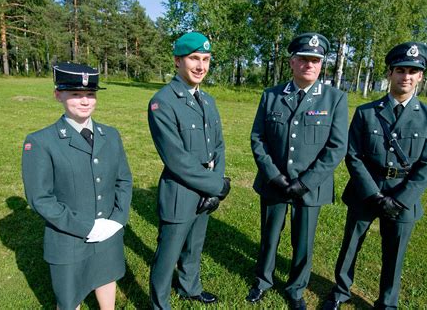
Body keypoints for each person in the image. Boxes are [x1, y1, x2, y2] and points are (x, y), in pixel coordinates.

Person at [323, 42, 427, 310]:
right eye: (401, 70)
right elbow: (352, 154)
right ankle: (340, 292)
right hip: (366, 191)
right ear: (390, 73)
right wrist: (373, 194)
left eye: (413, 71)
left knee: (394, 253)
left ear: (421, 76)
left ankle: (387, 303)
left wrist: (400, 200)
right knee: (350, 246)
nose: (406, 76)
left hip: (403, 195)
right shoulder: (366, 112)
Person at [247, 32, 348, 309]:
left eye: (315, 60)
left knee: (303, 242)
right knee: (269, 237)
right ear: (292, 62)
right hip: (274, 183)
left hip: (310, 187)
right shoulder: (272, 95)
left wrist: (305, 183)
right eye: (303, 59)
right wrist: (273, 175)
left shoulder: (334, 99)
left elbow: (336, 147)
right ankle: (262, 281)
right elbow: (258, 138)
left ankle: (296, 288)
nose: (309, 64)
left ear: (321, 65)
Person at [21, 62, 133, 310]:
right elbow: (41, 198)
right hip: (69, 239)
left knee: (106, 277)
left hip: (109, 232)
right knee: (70, 299)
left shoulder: (111, 135)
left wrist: (117, 219)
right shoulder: (41, 142)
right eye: (75, 94)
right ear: (58, 95)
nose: (85, 101)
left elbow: (123, 180)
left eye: (90, 95)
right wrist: (87, 227)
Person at [147, 31, 231, 309]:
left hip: (205, 192)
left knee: (194, 246)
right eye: (194, 58)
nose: (201, 66)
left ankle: (189, 287)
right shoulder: (163, 102)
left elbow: (218, 146)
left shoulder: (208, 100)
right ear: (177, 61)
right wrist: (216, 186)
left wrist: (214, 184)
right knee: (168, 253)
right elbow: (177, 159)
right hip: (180, 193)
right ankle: (160, 304)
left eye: (206, 59)